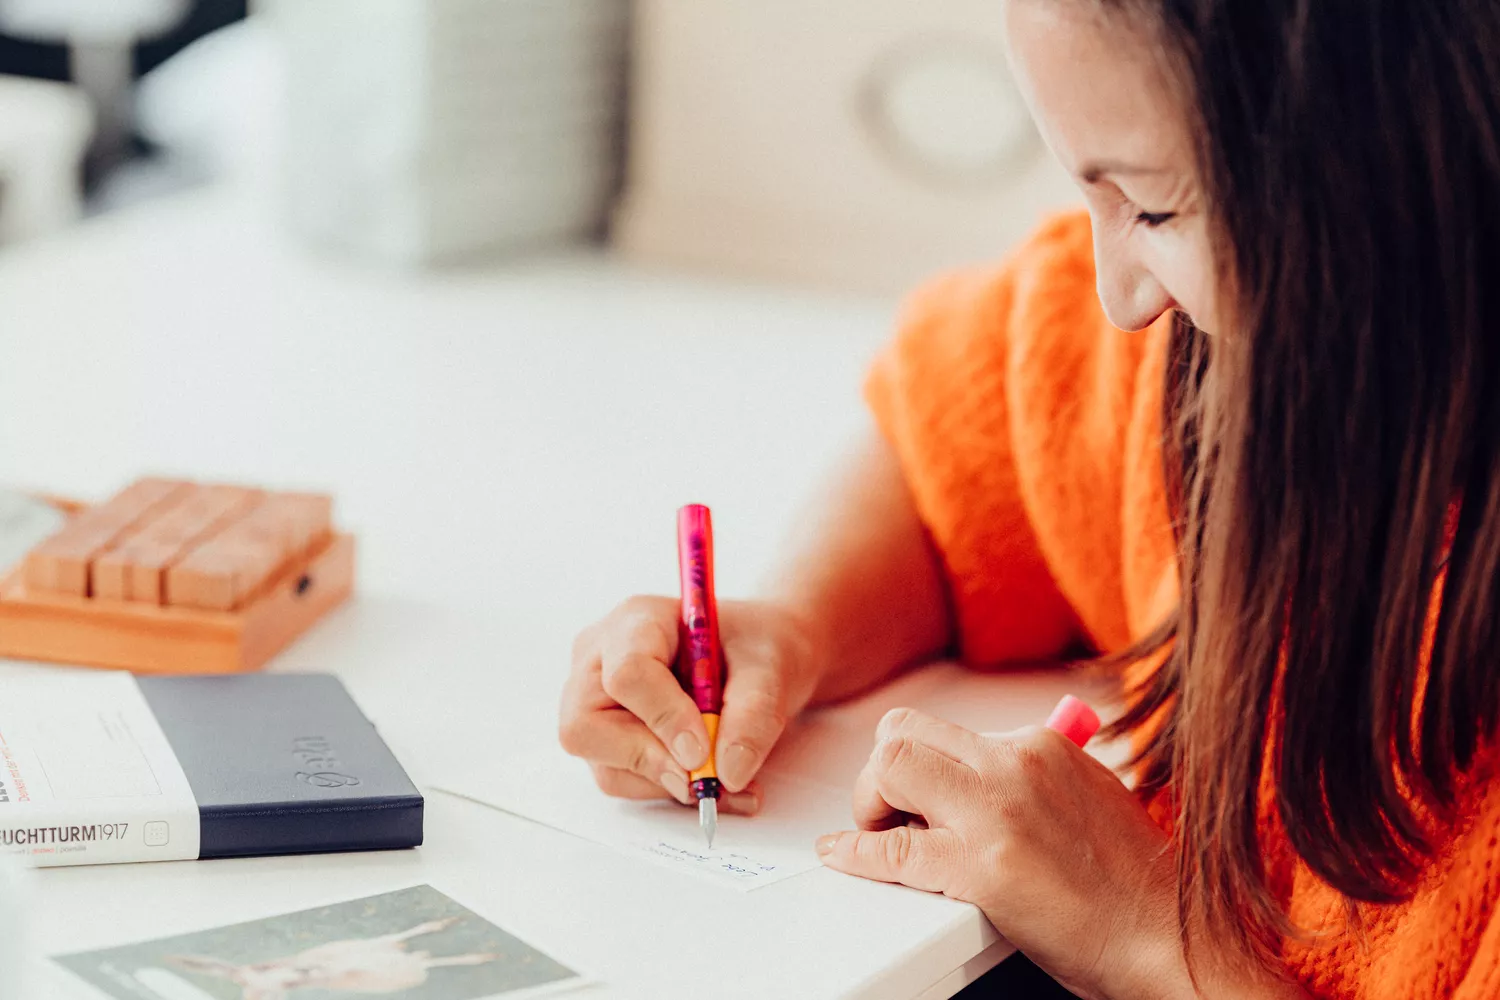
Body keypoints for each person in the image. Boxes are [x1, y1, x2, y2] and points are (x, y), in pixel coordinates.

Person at [561, 0, 1500, 996]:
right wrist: (798, 627)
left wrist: (1150, 940)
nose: (1119, 298)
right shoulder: (1210, 365)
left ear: (1389, 161)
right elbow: (964, 457)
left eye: (1152, 209)